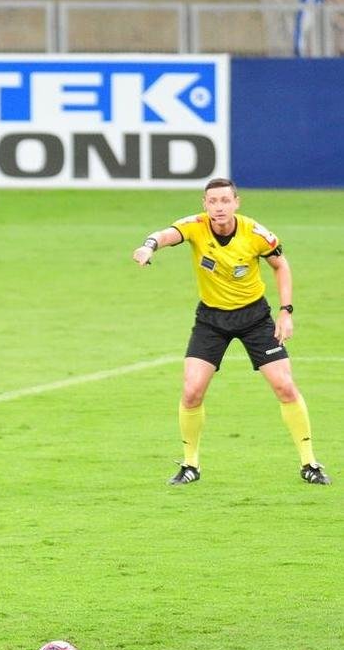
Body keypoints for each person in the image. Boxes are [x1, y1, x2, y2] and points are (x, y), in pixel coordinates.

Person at [131, 177, 330, 486]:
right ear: (205, 205)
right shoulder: (196, 226)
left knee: (285, 387)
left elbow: (281, 266)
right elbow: (166, 234)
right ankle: (190, 465)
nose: (219, 207)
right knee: (191, 391)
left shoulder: (255, 233)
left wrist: (285, 311)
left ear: (236, 203)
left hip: (254, 317)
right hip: (211, 319)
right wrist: (148, 247)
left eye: (225, 201)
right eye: (213, 201)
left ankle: (309, 463)